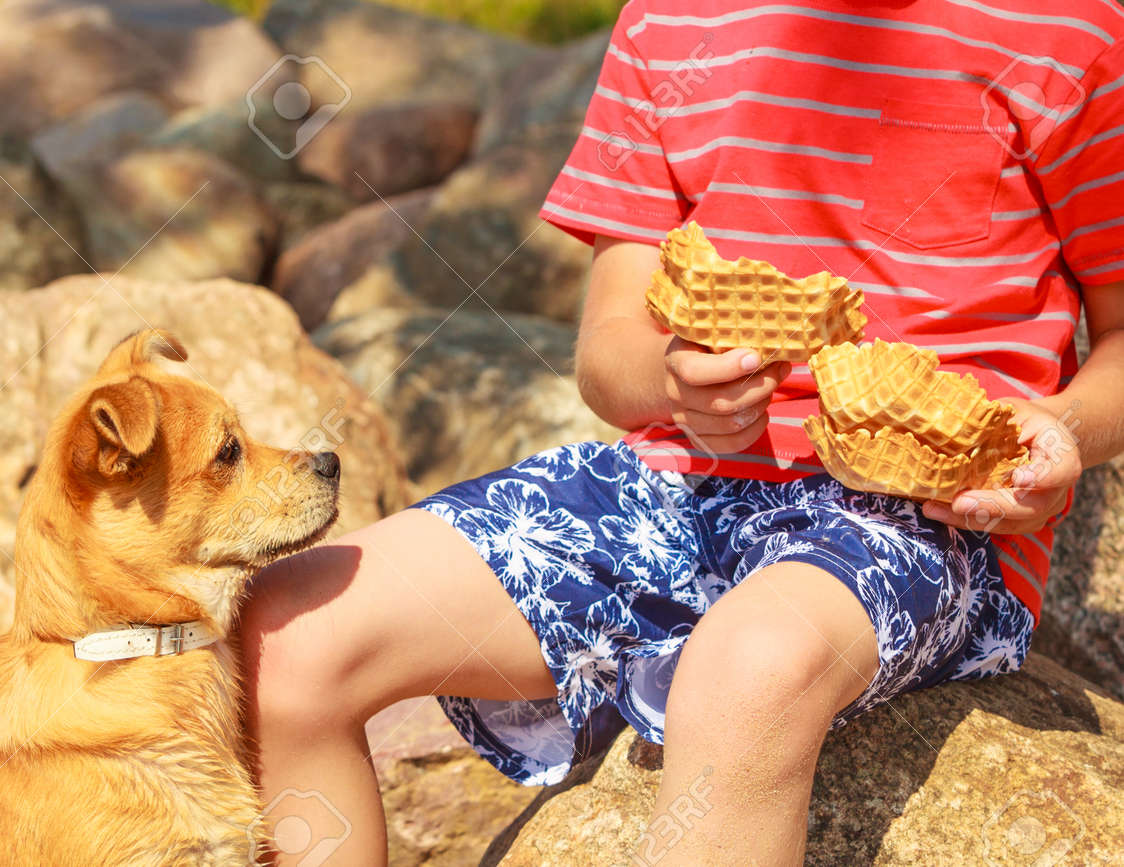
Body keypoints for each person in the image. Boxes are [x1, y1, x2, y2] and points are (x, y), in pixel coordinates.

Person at [240, 1, 1124, 863]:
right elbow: (609, 354)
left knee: (744, 670)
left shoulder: (1066, 25)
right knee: (288, 631)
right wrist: (671, 378)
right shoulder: (668, 21)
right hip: (676, 482)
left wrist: (1064, 426)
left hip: (928, 520)